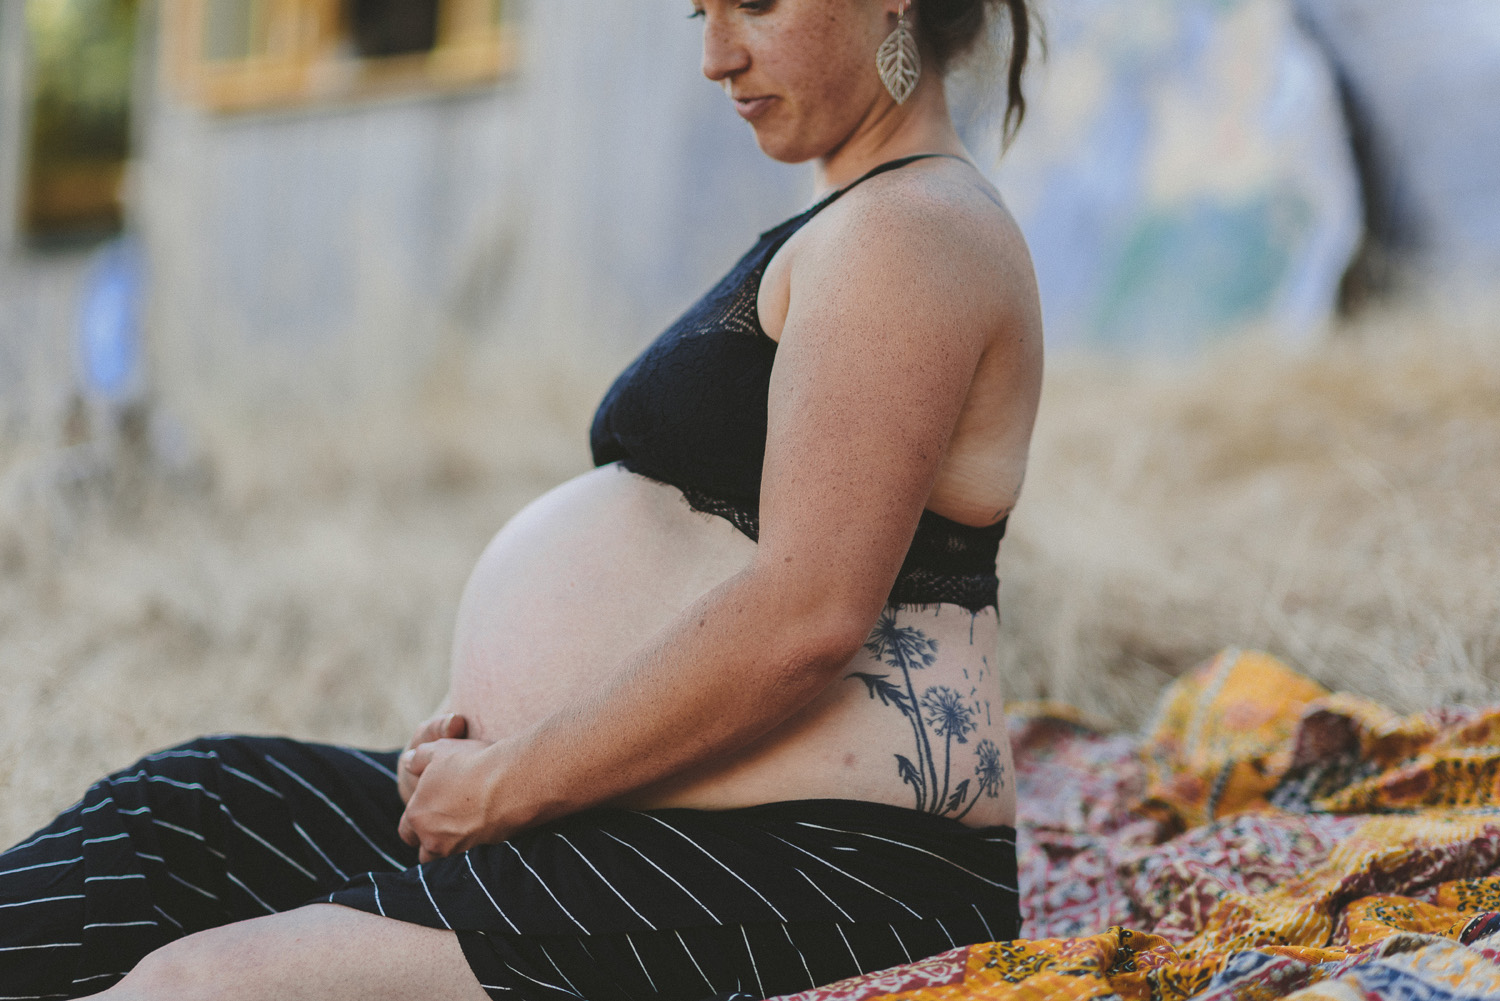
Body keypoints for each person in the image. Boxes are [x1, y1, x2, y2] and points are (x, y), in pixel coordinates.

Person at [0, 1, 1042, 998]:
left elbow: (808, 612)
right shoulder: (856, 217)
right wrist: (516, 731)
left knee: (196, 987)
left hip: (825, 872)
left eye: (755, 6)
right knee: (186, 812)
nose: (716, 57)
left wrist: (510, 778)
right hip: (635, 812)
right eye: (700, 14)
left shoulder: (912, 233)